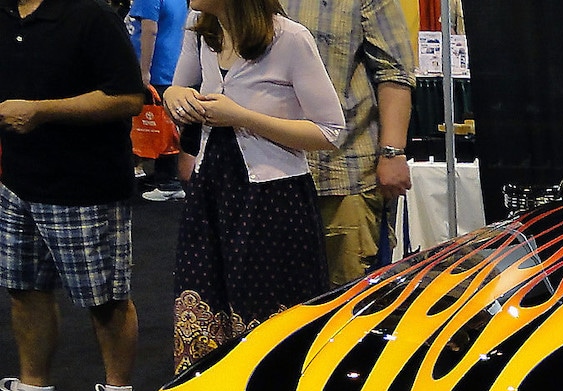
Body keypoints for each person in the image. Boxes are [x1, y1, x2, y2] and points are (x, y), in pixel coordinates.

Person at [164, 0, 344, 371]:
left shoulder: (291, 38)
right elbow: (177, 90)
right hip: (211, 189)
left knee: (269, 309)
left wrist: (242, 117)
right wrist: (172, 95)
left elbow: (329, 131)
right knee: (202, 297)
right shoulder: (200, 28)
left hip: (273, 198)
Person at [0, 0, 145, 391]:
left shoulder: (90, 15)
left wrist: (42, 111)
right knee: (24, 289)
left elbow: (128, 97)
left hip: (87, 183)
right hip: (17, 181)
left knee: (106, 297)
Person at [280, 0, 416, 288]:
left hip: (342, 173)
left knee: (350, 299)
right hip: (266, 174)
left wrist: (392, 152)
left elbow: (394, 72)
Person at [130, 0, 193, 201]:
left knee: (163, 126)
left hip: (156, 68)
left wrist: (144, 71)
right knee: (168, 124)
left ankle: (168, 182)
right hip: (170, 64)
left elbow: (149, 30)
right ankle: (164, 177)